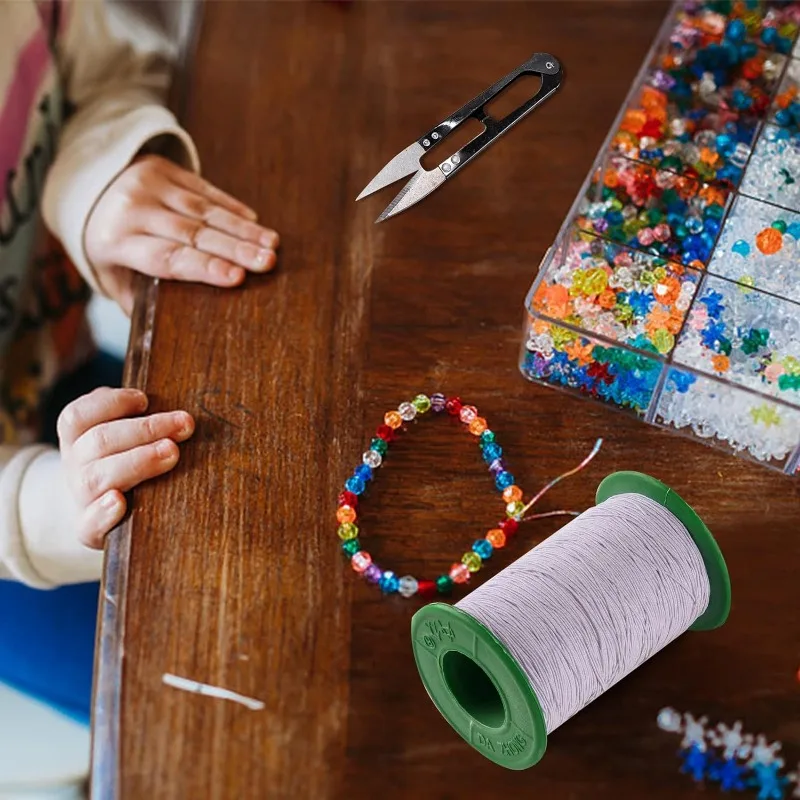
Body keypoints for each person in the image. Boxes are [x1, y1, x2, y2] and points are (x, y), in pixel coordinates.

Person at [0, 0, 279, 744]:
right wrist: (49, 507)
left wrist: (92, 182)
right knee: (214, 714)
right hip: (17, 531)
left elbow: (116, 59)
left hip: (55, 375)